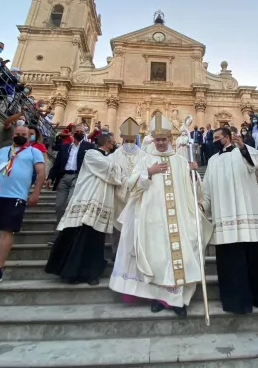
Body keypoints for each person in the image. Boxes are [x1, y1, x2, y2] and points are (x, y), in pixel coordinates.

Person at [110, 112, 211, 317]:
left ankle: (178, 300)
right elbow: (132, 186)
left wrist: (193, 174)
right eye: (157, 140)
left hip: (180, 217)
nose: (161, 143)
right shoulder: (146, 160)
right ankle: (159, 298)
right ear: (153, 141)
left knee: (178, 256)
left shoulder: (181, 161)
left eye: (164, 139)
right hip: (153, 217)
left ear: (170, 139)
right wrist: (149, 172)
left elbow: (195, 191)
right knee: (157, 257)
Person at [201, 127, 258, 314]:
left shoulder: (243, 154)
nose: (214, 141)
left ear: (227, 138)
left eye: (218, 138)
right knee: (231, 261)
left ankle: (257, 295)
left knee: (254, 258)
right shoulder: (211, 161)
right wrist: (202, 205)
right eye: (213, 138)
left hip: (247, 214)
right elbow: (207, 190)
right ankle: (235, 299)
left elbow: (257, 161)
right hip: (225, 218)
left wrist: (243, 146)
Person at [46, 134, 121, 284]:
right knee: (78, 233)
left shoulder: (109, 157)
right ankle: (71, 272)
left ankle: (91, 273)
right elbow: (109, 170)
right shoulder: (92, 154)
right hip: (86, 199)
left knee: (95, 238)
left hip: (100, 201)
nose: (114, 145)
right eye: (112, 142)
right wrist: (119, 168)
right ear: (106, 143)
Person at [0, 125, 45, 286]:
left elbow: (41, 173)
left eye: (24, 134)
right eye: (18, 133)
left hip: (16, 196)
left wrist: (36, 192)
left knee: (6, 232)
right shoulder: (2, 151)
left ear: (29, 137)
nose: (21, 136)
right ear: (12, 134)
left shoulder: (34, 152)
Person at [108, 118, 146, 258]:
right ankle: (116, 254)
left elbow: (147, 175)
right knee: (117, 226)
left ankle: (136, 253)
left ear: (136, 139)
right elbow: (110, 174)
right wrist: (124, 182)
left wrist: (134, 182)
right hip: (118, 197)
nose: (130, 143)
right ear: (122, 138)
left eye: (132, 140)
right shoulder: (113, 156)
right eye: (127, 140)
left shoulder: (144, 156)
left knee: (137, 226)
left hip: (137, 197)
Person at [47, 124, 94, 221]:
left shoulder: (89, 146)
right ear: (72, 133)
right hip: (64, 177)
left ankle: (68, 228)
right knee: (59, 205)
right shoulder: (65, 147)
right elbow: (57, 164)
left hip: (78, 177)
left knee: (70, 203)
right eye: (77, 131)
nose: (79, 133)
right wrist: (50, 177)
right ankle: (60, 228)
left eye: (82, 132)